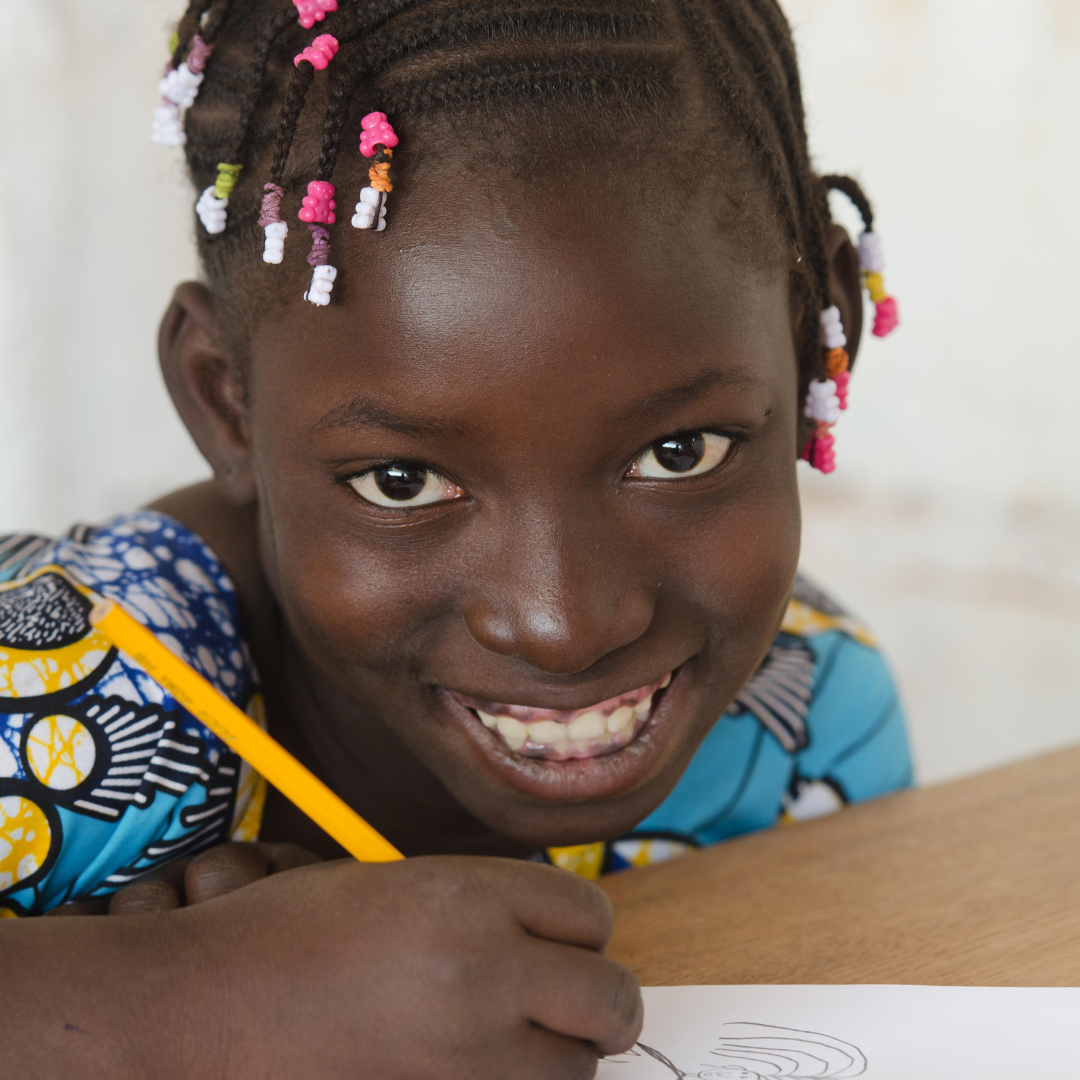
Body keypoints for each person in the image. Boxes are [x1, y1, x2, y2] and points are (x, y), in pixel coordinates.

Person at [0, 0, 912, 1075]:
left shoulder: (803, 723)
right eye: (403, 480)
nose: (564, 622)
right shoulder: (55, 703)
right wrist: (180, 1006)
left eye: (680, 454)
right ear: (226, 405)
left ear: (817, 344)